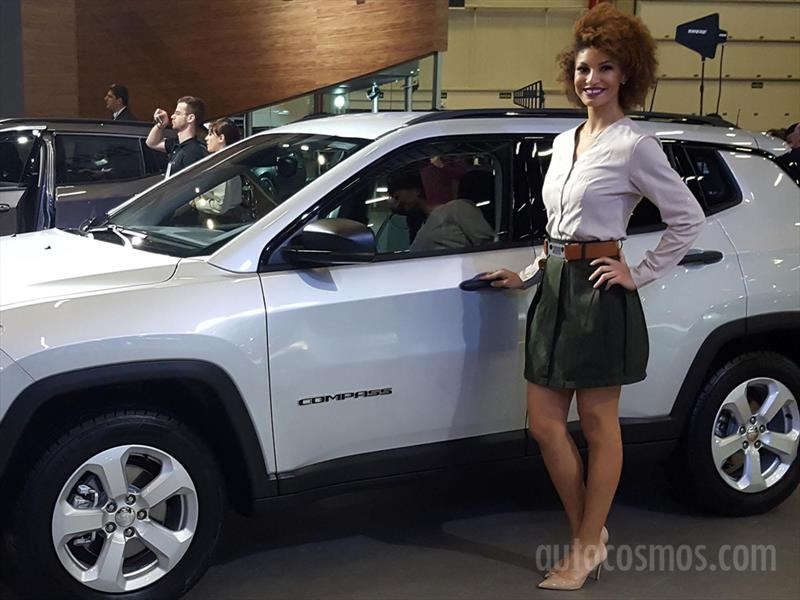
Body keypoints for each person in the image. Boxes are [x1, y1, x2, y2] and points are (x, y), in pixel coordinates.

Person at [483, 3, 705, 591]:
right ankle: (592, 533)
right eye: (583, 69)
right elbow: (559, 228)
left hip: (599, 292)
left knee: (600, 424)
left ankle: (584, 546)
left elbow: (688, 218)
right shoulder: (564, 142)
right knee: (544, 423)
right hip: (555, 288)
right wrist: (529, 274)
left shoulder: (636, 144)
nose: (592, 79)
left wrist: (641, 270)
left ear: (626, 74)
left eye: (605, 68)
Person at [386, 169, 494, 252]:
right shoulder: (422, 225)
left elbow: (487, 243)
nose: (398, 204)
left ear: (416, 191)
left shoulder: (457, 208)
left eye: (397, 197)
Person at [190, 118, 243, 216]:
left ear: (221, 138)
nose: (206, 138)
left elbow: (219, 206)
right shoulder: (226, 163)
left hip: (222, 223)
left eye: (210, 134)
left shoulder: (224, 167)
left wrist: (196, 202)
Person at [146, 96, 208, 176]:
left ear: (190, 118)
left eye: (177, 113)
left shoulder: (192, 152)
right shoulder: (177, 144)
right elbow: (152, 143)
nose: (172, 116)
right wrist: (161, 125)